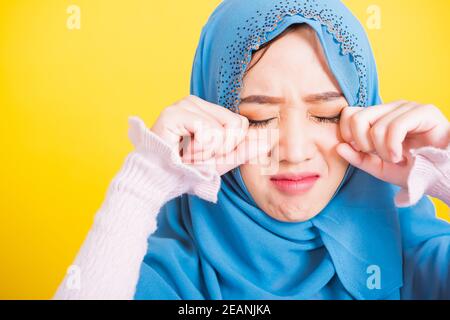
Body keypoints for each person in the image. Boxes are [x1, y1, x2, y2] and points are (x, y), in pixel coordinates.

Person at [54, 0, 450, 300]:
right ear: (213, 114)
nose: (293, 151)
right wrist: (140, 186)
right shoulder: (168, 272)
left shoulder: (409, 247)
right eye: (259, 118)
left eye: (328, 114)